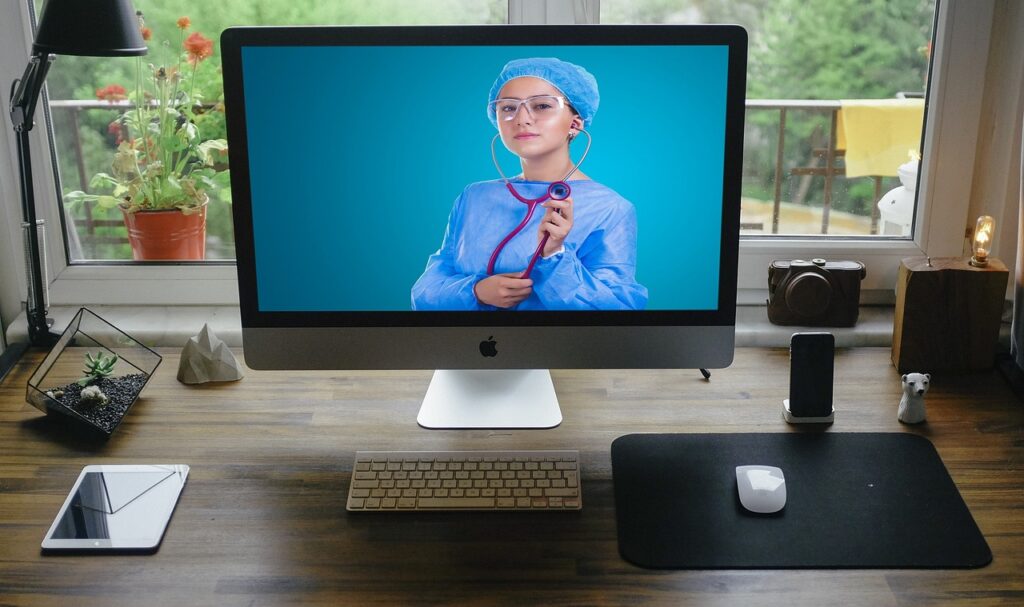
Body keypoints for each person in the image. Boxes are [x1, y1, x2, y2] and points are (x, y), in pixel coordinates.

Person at [411, 57, 648, 311]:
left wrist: (554, 255)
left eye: (542, 106)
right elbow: (425, 292)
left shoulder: (609, 207)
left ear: (575, 124)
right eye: (508, 108)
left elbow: (620, 309)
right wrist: (476, 291)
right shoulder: (474, 197)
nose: (521, 118)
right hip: (468, 346)